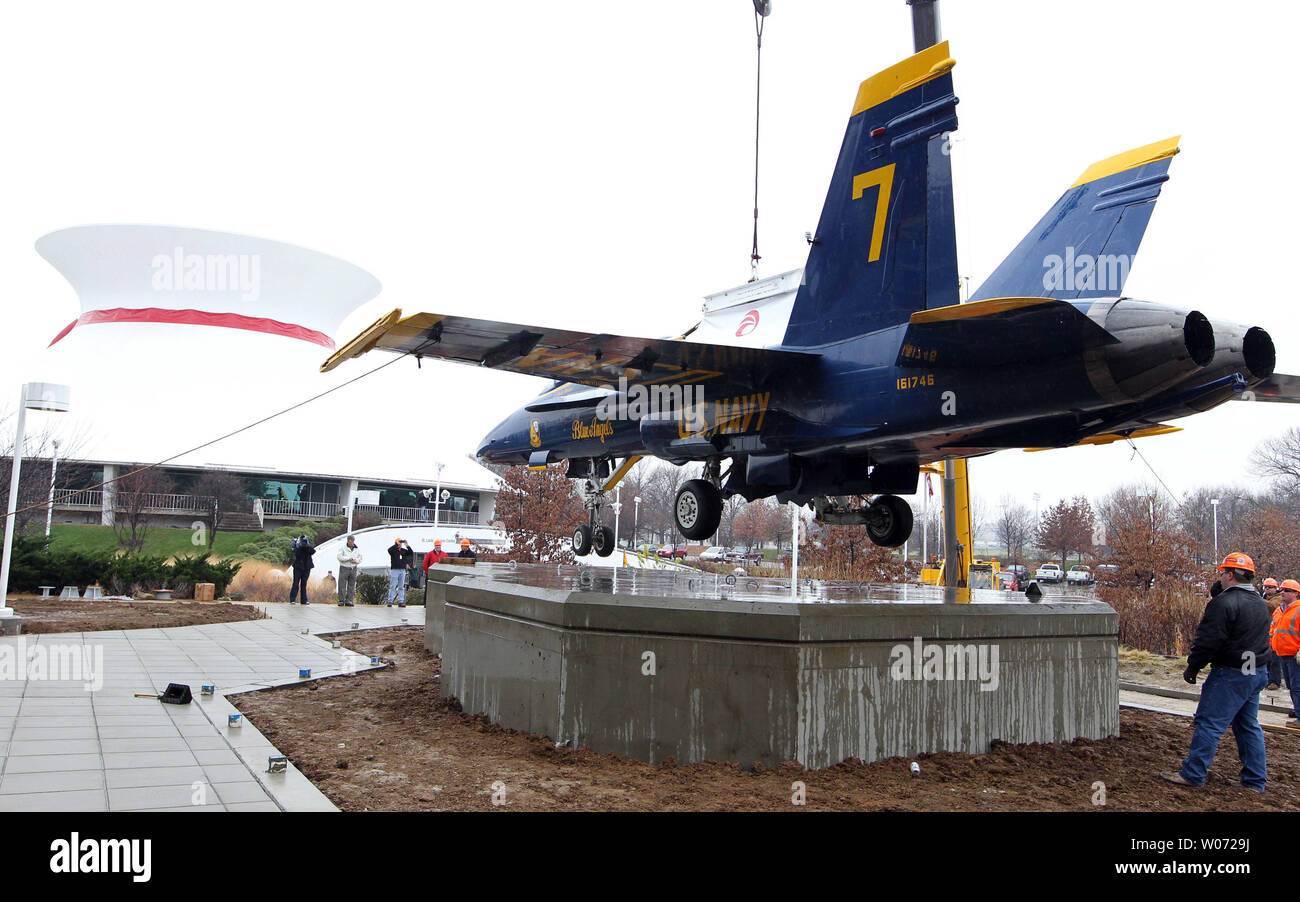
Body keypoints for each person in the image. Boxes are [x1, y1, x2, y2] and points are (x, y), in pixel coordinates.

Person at [1160, 552, 1274, 793]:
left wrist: (1194, 665)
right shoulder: (1261, 605)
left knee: (1209, 723)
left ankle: (1193, 774)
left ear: (1230, 575)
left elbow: (1209, 640)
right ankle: (1255, 781)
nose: (1220, 577)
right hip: (1255, 670)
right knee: (1248, 725)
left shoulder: (1223, 603)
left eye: (1223, 573)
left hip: (1232, 673)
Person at [1269, 578, 1300, 718]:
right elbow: (1273, 629)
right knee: (1291, 686)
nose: (1283, 593)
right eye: (1282, 590)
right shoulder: (1279, 610)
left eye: (1287, 590)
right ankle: (1297, 709)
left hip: (1295, 655)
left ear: (1296, 593)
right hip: (1281, 653)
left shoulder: (1298, 610)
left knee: (1297, 687)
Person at [387, 538, 414, 607]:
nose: (400, 545)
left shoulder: (403, 551)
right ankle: (390, 601)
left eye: (400, 543)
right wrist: (396, 544)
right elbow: (389, 550)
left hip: (402, 570)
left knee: (401, 586)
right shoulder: (393, 551)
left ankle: (401, 601)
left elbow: (411, 552)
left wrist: (407, 545)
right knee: (393, 586)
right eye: (399, 543)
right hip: (395, 570)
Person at [336, 535, 362, 606]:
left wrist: (355, 560)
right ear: (347, 541)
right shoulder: (343, 548)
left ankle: (349, 600)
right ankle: (341, 600)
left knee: (351, 585)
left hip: (353, 568)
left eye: (352, 541)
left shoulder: (357, 549)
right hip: (344, 567)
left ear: (354, 541)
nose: (351, 542)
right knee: (342, 584)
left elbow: (360, 558)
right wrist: (348, 558)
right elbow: (339, 557)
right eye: (349, 541)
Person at [289, 534, 314, 605]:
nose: (304, 542)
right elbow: (297, 554)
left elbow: (313, 551)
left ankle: (304, 600)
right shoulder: (298, 547)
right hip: (298, 567)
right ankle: (292, 599)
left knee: (304, 584)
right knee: (296, 583)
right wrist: (298, 545)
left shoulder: (308, 547)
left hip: (307, 567)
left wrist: (308, 544)